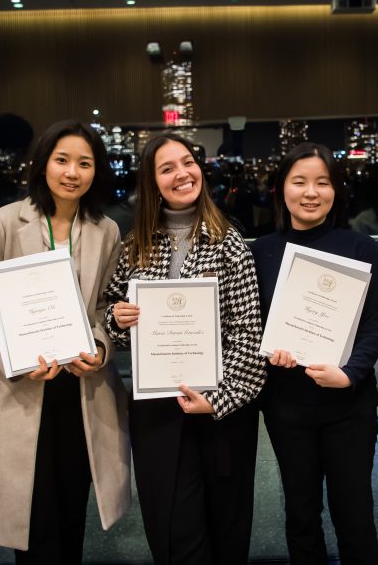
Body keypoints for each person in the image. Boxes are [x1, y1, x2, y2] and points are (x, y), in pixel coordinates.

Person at [0, 121, 130, 563]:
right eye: (62, 160)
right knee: (31, 514)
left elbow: (105, 306)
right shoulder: (4, 220)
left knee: (71, 507)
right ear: (42, 164)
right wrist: (10, 359)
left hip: (79, 390)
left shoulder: (105, 229)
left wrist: (99, 346)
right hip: (21, 384)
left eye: (84, 163)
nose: (72, 172)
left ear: (97, 171)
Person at [104, 133, 266, 564]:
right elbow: (114, 321)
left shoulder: (229, 242)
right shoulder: (134, 244)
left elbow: (249, 336)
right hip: (157, 407)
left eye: (188, 162)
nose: (182, 173)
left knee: (225, 526)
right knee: (172, 529)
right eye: (167, 168)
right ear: (152, 183)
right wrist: (118, 320)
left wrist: (215, 400)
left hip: (218, 410)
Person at [250, 142, 378, 564]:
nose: (311, 192)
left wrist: (350, 373)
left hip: (349, 405)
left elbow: (374, 321)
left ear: (336, 190)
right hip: (287, 405)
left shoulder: (361, 248)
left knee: (355, 513)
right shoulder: (261, 252)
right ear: (281, 190)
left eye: (322, 183)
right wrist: (271, 352)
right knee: (301, 511)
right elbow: (252, 323)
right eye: (299, 182)